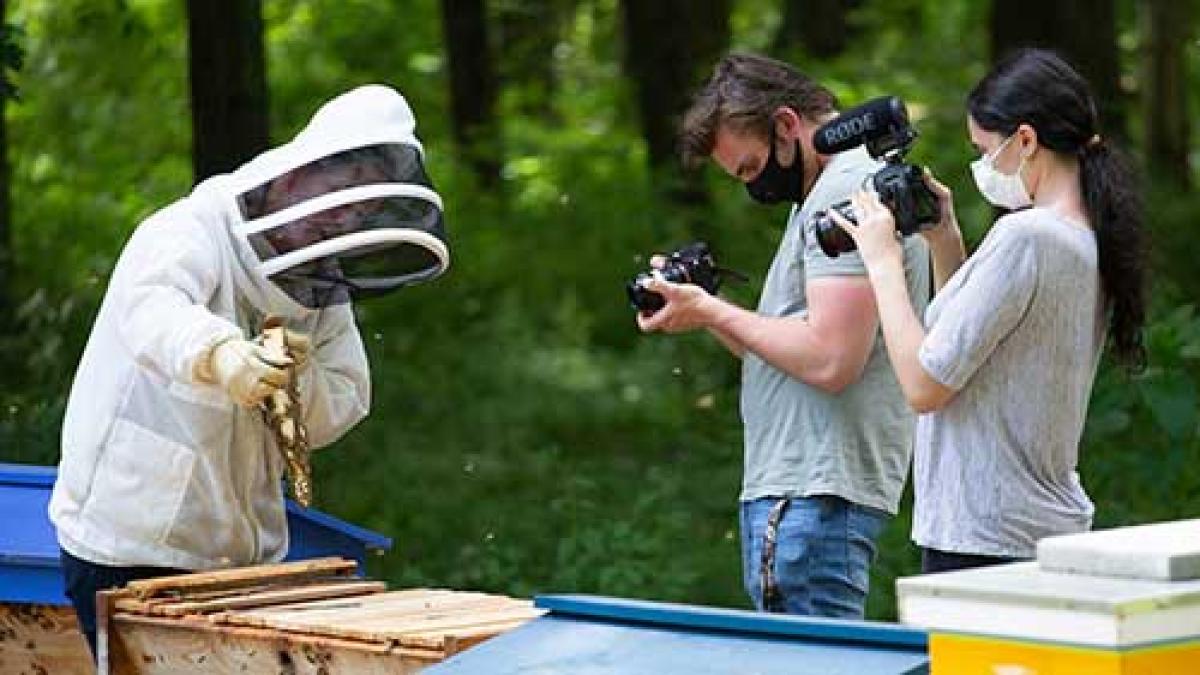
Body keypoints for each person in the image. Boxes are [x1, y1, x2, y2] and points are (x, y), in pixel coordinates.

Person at [48, 84, 450, 656]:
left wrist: (295, 379)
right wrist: (221, 354)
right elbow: (151, 309)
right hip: (129, 539)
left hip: (244, 554)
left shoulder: (321, 283)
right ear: (295, 177)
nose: (343, 218)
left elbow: (345, 399)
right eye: (338, 195)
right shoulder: (187, 229)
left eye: (360, 211)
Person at [637, 53, 930, 618]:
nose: (753, 185)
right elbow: (791, 347)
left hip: (813, 493)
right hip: (797, 493)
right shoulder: (818, 197)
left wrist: (713, 312)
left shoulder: (848, 192)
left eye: (749, 168)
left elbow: (830, 360)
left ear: (787, 125)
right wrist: (702, 308)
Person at [831, 49, 1146, 574]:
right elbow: (969, 350)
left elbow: (925, 383)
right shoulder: (1082, 236)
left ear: (1025, 140)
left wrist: (883, 260)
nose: (982, 165)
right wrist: (944, 240)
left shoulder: (1026, 236)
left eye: (984, 149)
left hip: (984, 536)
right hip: (1033, 531)